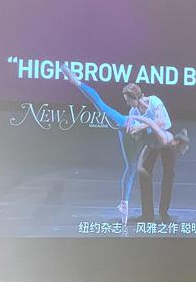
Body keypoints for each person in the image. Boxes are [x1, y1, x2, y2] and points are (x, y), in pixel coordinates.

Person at [60, 64, 143, 225]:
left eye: (128, 101)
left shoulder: (154, 103)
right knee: (102, 107)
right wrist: (132, 124)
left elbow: (161, 123)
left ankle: (124, 204)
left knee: (132, 168)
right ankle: (124, 204)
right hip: (127, 130)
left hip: (143, 134)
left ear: (137, 98)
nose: (127, 104)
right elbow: (131, 119)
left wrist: (141, 127)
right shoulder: (133, 110)